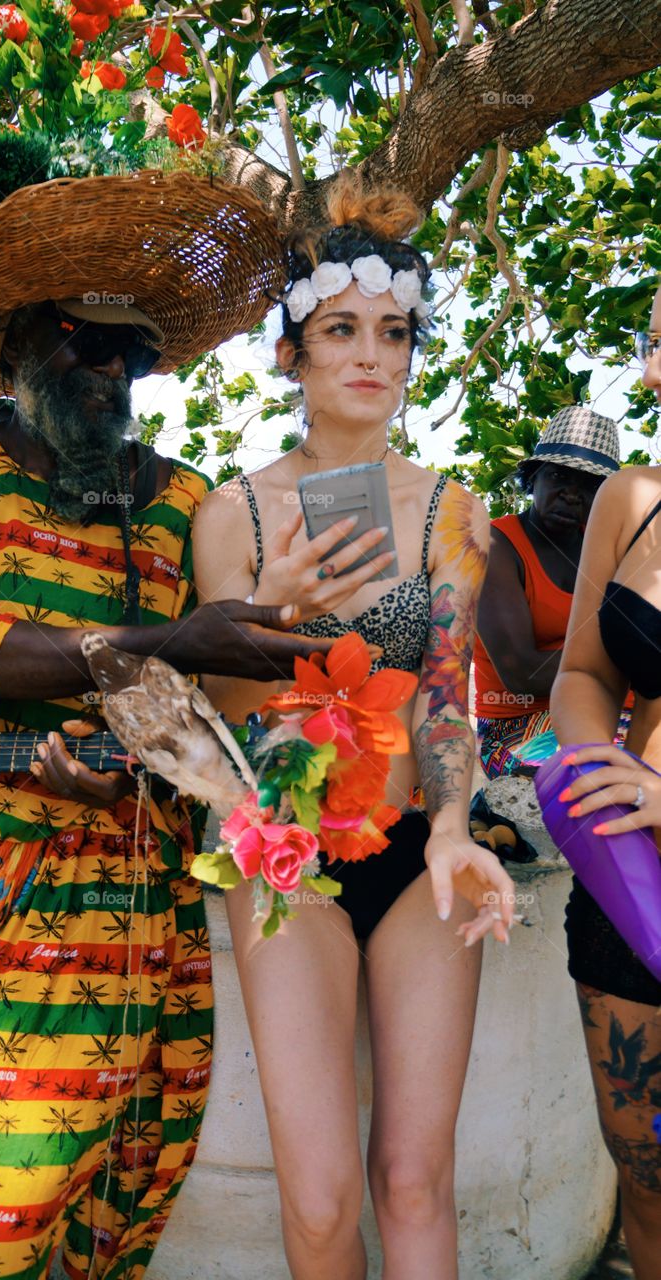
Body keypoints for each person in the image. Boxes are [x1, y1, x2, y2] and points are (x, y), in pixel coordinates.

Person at [0, 136, 373, 1280]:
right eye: (82, 341)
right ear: (19, 347)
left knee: (70, 1209)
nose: (112, 373)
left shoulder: (180, 507)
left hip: (107, 904)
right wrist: (161, 638)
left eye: (133, 352)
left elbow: (207, 687)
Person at [192, 174, 516, 1280]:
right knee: (323, 1200)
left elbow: (441, 690)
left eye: (394, 331)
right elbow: (234, 733)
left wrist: (453, 825)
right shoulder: (230, 514)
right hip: (287, 861)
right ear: (293, 353)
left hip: (414, 851)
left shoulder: (450, 510)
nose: (370, 353)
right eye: (341, 329)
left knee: (413, 1181)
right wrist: (276, 612)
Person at [549, 284, 661, 1280]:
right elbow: (583, 671)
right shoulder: (634, 498)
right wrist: (595, 769)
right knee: (651, 1181)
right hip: (630, 894)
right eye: (653, 343)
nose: (652, 375)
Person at [473, 408, 619, 778]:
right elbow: (520, 671)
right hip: (521, 726)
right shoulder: (494, 545)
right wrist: (630, 659)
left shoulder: (607, 548)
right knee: (601, 780)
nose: (572, 495)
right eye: (558, 476)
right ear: (532, 478)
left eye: (589, 485)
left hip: (613, 710)